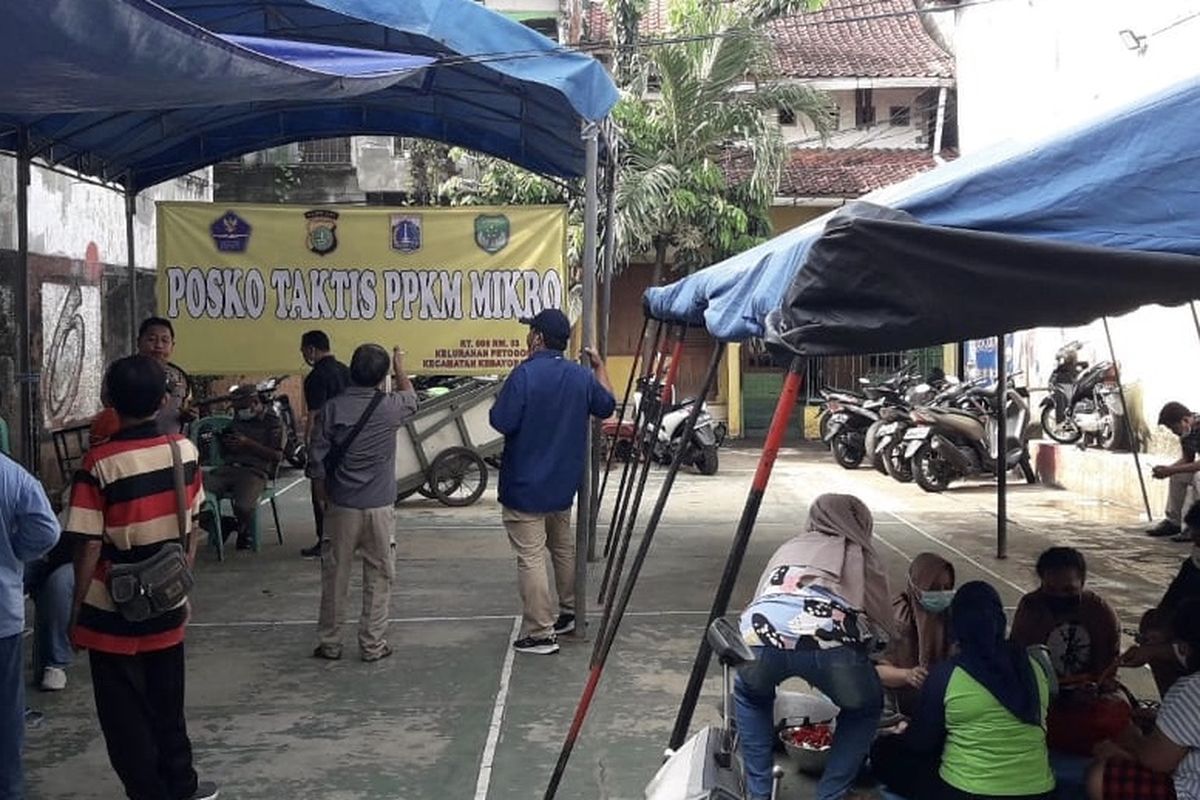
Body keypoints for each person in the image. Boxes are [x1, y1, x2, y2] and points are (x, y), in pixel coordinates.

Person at [66, 355, 217, 800]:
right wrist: (181, 586)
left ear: (109, 400)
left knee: (123, 715)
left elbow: (88, 543)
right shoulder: (183, 451)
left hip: (111, 607)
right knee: (168, 704)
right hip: (167, 601)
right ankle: (182, 785)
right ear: (164, 400)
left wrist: (77, 611)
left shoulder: (98, 464)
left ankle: (147, 791)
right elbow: (192, 527)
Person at [734, 493, 894, 800]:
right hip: (829, 643)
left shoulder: (789, 547)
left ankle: (759, 793)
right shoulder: (860, 553)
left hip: (758, 634)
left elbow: (761, 598)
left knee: (751, 696)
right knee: (864, 708)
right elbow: (881, 622)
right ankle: (831, 794)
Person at [488, 308, 615, 655]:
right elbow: (607, 405)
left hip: (524, 486)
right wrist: (599, 366)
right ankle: (571, 610)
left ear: (539, 338)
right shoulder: (581, 376)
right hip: (562, 485)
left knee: (530, 556)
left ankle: (541, 633)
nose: (528, 337)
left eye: (531, 332)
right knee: (562, 548)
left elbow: (501, 421)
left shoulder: (524, 375)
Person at [890, 581, 1056, 800]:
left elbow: (921, 742)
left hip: (968, 792)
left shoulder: (947, 675)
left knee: (887, 753)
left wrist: (903, 730)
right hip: (1039, 791)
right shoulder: (1034, 667)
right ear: (1000, 619)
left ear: (956, 623)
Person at [308, 345, 417, 662]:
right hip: (380, 506)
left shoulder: (332, 409)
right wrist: (400, 365)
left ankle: (330, 642)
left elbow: (316, 461)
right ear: (382, 376)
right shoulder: (392, 407)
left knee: (335, 575)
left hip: (341, 505)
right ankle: (372, 644)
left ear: (351, 370)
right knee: (380, 575)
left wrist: (322, 496)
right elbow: (410, 395)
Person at [1088, 596, 1200, 800]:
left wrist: (1128, 734)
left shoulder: (1192, 689)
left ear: (1184, 647)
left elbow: (1156, 761)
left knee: (1100, 776)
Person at [0, 451, 60, 799]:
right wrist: (13, 554)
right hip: (2, 614)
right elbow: (46, 530)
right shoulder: (11, 474)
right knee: (6, 712)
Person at [1123, 502, 1200, 696]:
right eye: (1195, 541)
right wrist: (1163, 632)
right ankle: (1172, 702)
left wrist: (1160, 651)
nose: (1196, 547)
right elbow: (1170, 603)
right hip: (1189, 637)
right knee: (1153, 621)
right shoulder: (1193, 565)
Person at [1011, 547, 1121, 681]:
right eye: (1051, 590)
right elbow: (1020, 662)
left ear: (1082, 583)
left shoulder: (1099, 612)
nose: (1059, 596)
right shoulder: (1032, 607)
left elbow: (1106, 671)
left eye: (1069, 590)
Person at [201, 386, 283, 550]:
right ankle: (227, 524)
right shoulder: (238, 419)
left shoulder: (272, 422)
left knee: (243, 506)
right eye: (237, 409)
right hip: (228, 469)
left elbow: (277, 456)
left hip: (254, 471)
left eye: (242, 408)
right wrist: (223, 442)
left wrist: (248, 444)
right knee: (194, 497)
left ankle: (242, 527)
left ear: (254, 403)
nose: (239, 412)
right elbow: (225, 453)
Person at [876, 552, 956, 718]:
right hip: (895, 705)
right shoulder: (897, 617)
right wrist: (907, 675)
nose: (941, 594)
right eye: (933, 589)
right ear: (916, 586)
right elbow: (875, 670)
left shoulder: (951, 617)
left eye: (947, 588)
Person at [299, 331, 351, 559]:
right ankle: (348, 540)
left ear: (311, 350)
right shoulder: (347, 372)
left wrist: (309, 444)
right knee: (346, 493)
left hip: (325, 445)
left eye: (303, 351)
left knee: (320, 494)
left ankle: (325, 541)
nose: (303, 355)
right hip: (349, 442)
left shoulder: (315, 378)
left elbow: (315, 414)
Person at [23, 535, 74, 691]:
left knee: (59, 584)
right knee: (11, 569)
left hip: (85, 557)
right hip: (44, 549)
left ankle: (55, 663)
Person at [1148, 401, 1200, 541]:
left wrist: (1171, 470)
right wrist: (1168, 470)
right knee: (1178, 476)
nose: (1174, 432)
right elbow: (1187, 459)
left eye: (1173, 427)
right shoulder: (1187, 433)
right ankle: (1174, 522)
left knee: (1198, 477)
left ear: (1185, 420)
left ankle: (1196, 528)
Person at [135, 317, 193, 436]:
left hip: (170, 447)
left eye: (165, 341)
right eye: (152, 339)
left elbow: (185, 406)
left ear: (172, 345)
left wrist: (187, 415)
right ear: (139, 342)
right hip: (133, 446)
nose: (159, 346)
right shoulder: (123, 371)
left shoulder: (180, 376)